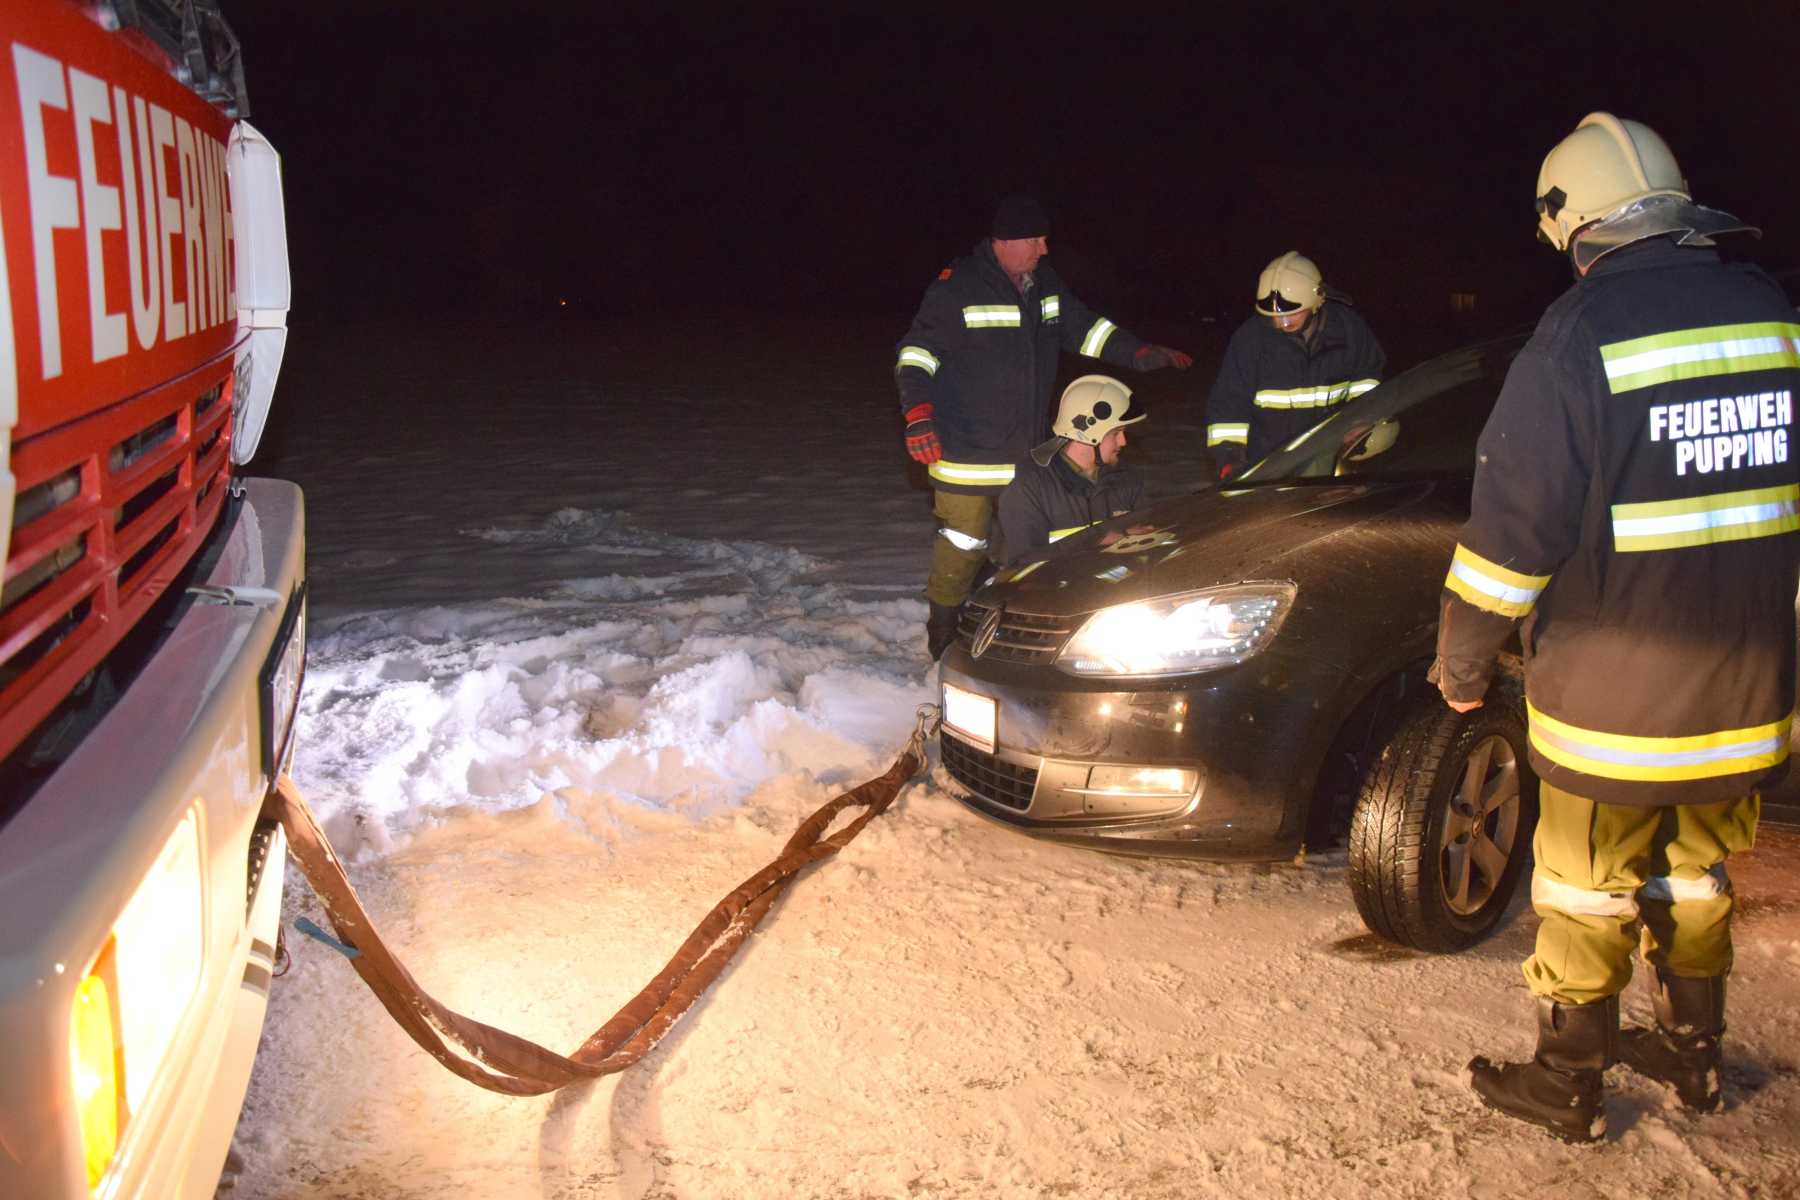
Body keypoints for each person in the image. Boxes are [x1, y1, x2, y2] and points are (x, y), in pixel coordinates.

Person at [1432, 112, 1798, 1142]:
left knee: (1585, 885)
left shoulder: (1580, 336)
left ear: (1577, 223)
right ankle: (1695, 1055)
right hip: (1747, 696)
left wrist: (1461, 663)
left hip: (1618, 709)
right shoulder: (1770, 315)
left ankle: (1570, 1082)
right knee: (1695, 871)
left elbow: (1513, 533)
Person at [894, 193, 1193, 658]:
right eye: (1034, 239)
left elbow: (1083, 328)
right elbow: (915, 356)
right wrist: (917, 415)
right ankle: (943, 635)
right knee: (963, 544)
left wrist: (1136, 352)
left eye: (1044, 238)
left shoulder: (1043, 284)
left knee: (1025, 552)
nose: (1043, 248)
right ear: (1003, 241)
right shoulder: (957, 288)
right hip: (966, 455)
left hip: (1026, 453)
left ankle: (1013, 629)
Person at [1205, 251, 1385, 480]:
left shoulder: (1349, 331)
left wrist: (1362, 422)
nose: (1281, 323)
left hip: (1331, 460)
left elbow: (1368, 382)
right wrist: (1230, 458)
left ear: (1317, 300)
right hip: (1266, 466)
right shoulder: (1251, 339)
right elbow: (1229, 402)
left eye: (1291, 315)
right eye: (1273, 317)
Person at [998, 375, 1147, 565]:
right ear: (1085, 435)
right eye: (1115, 433)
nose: (1123, 442)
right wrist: (1094, 540)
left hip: (1120, 590)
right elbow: (1023, 566)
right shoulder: (1029, 490)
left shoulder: (1127, 478)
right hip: (1061, 592)